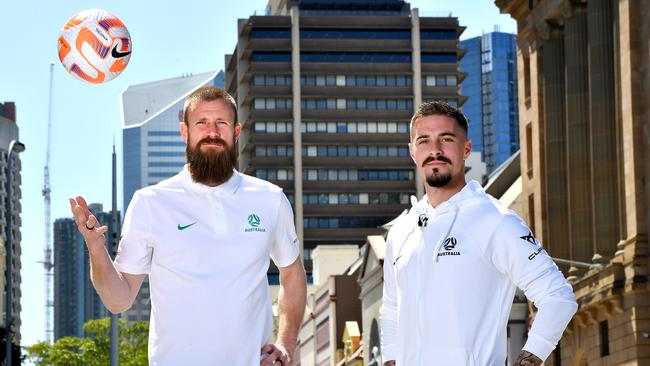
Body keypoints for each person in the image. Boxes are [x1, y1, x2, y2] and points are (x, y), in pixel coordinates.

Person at [69, 87, 306, 365]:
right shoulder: (150, 203)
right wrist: (96, 249)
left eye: (222, 123)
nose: (212, 132)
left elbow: (291, 274)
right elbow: (118, 300)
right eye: (202, 123)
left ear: (236, 132)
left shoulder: (270, 199)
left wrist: (286, 343)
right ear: (185, 132)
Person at [380, 101, 577, 366]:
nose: (435, 150)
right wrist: (391, 359)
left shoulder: (495, 221)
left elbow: (558, 297)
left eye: (446, 139)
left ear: (466, 149)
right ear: (413, 152)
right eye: (424, 141)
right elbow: (391, 309)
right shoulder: (401, 231)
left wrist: (529, 359)